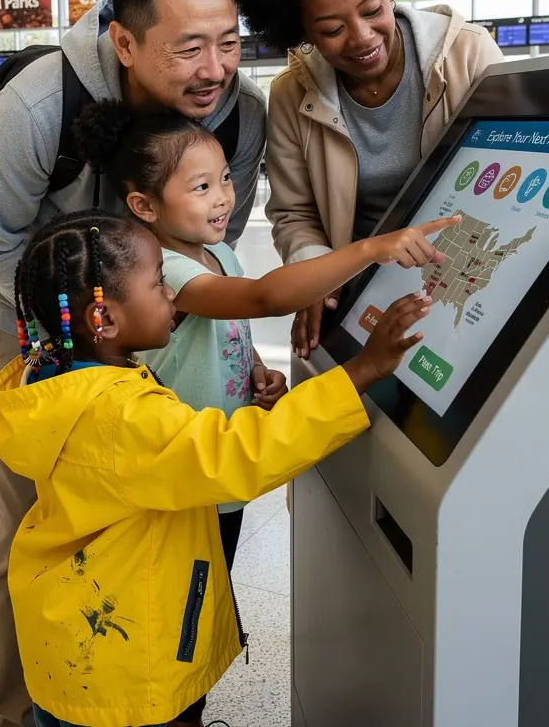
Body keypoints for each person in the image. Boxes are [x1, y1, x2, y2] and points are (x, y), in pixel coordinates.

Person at [73, 100, 457, 727]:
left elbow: (231, 329)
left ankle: (182, 705)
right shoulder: (165, 267)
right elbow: (261, 298)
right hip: (178, 487)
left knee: (198, 603)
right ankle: (168, 710)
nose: (223, 196)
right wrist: (370, 249)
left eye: (225, 177)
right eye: (201, 187)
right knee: (172, 613)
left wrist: (252, 372)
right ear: (144, 206)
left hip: (217, 480)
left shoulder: (215, 252)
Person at [0, 0, 267, 727]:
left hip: (177, 325)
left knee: (171, 526)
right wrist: (78, 350)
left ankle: (160, 698)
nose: (215, 69)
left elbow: (215, 241)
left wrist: (238, 350)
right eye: (190, 47)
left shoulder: (239, 113)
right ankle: (23, 709)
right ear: (123, 39)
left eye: (229, 42)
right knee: (35, 529)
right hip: (40, 335)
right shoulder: (39, 104)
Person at [0, 210, 435, 727]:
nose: (170, 295)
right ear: (103, 320)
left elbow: (177, 448)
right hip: (130, 662)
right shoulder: (123, 416)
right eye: (158, 283)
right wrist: (360, 372)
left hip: (71, 639)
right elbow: (240, 454)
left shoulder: (52, 378)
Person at [232, 0, 503, 356]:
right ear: (301, 30)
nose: (360, 38)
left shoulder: (466, 55)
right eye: (332, 29)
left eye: (372, 9)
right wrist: (318, 275)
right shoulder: (293, 94)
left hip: (464, 275)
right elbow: (294, 214)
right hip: (354, 290)